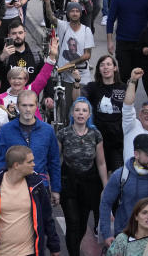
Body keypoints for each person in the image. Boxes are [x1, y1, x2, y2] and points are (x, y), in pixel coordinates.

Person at [0, 145, 61, 256]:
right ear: (16, 165)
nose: (34, 165)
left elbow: (47, 217)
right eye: (30, 162)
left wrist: (54, 246)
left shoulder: (36, 185)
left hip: (30, 252)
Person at [99, 134, 148, 246]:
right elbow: (106, 203)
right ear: (136, 154)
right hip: (126, 235)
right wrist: (107, 234)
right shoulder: (120, 176)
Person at [57, 97, 109, 256]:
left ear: (89, 115)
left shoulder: (96, 134)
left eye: (84, 110)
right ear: (72, 113)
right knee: (72, 223)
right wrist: (54, 186)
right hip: (68, 183)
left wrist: (106, 186)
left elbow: (101, 163)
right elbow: (55, 160)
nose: (80, 113)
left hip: (89, 183)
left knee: (81, 225)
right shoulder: (63, 133)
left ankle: (75, 248)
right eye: (77, 110)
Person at [0, 89, 62, 204]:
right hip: (12, 188)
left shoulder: (47, 131)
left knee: (39, 221)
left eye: (31, 105)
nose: (28, 109)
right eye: (24, 105)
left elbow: (54, 162)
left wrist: (55, 189)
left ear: (36, 106)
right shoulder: (6, 130)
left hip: (39, 186)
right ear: (18, 106)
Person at [107, 0, 148, 82]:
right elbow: (110, 20)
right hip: (123, 41)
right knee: (124, 73)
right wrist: (110, 41)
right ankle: (124, 98)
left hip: (140, 43)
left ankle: (130, 98)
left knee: (135, 75)